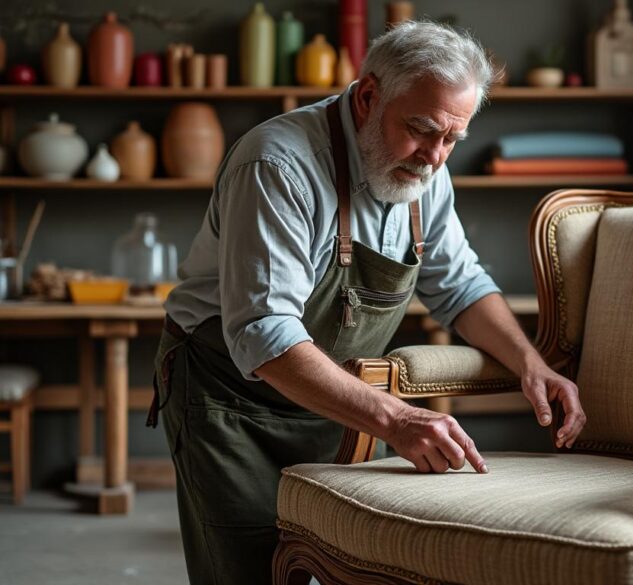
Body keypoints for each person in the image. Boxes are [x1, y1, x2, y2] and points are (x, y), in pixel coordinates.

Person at [150, 20, 587, 585]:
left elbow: (460, 287)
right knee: (248, 567)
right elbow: (263, 332)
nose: (434, 157)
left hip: (341, 402)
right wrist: (399, 418)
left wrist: (533, 364)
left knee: (354, 563)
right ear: (367, 97)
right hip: (230, 401)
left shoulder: (424, 172)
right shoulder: (277, 165)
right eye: (421, 130)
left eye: (452, 138)